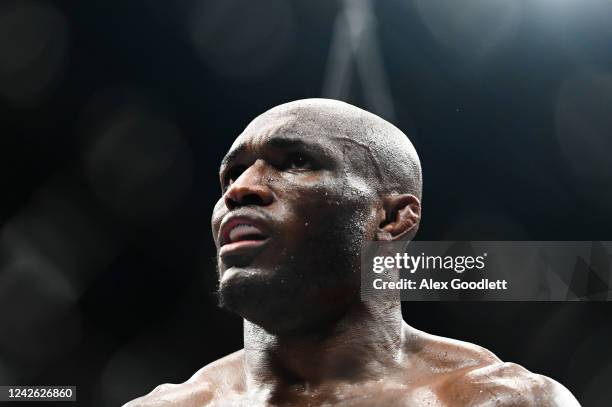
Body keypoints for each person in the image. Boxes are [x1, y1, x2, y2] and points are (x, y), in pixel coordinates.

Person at [125, 99, 580, 406]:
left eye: (296, 162)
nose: (241, 189)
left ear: (391, 219)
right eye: (232, 174)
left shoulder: (491, 400)